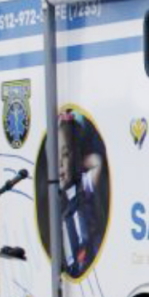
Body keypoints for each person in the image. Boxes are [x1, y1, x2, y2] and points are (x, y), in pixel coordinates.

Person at [57, 111, 105, 278]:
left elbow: (97, 163)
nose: (59, 165)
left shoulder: (84, 186)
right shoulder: (58, 200)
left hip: (87, 255)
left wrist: (80, 162)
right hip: (72, 265)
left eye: (64, 155)